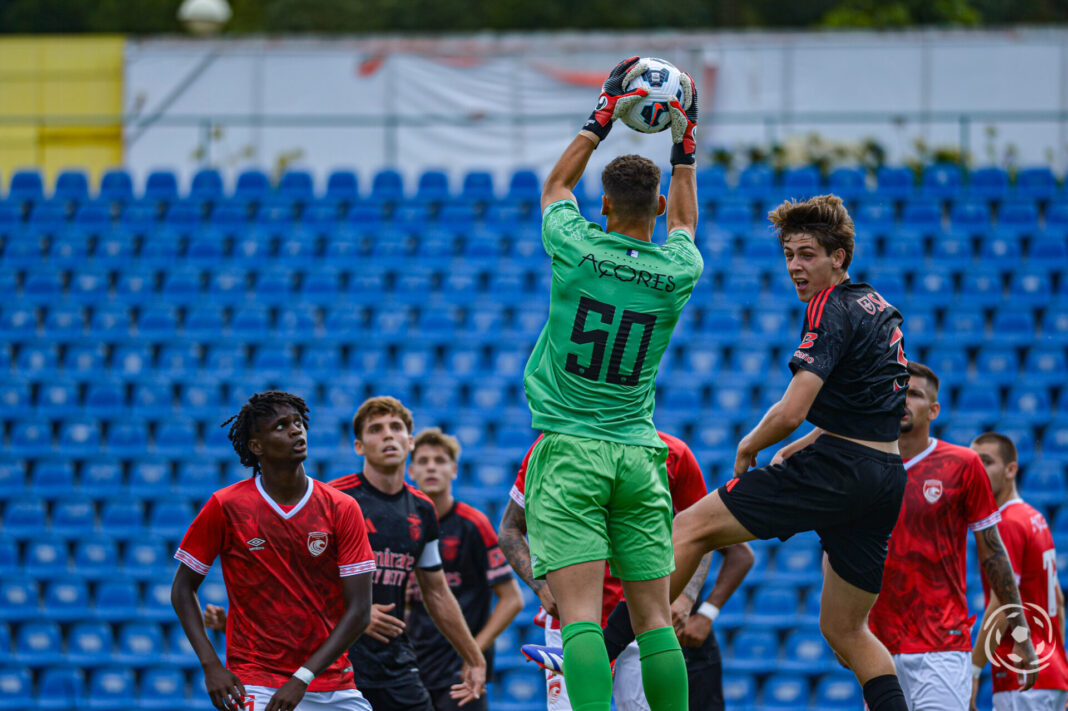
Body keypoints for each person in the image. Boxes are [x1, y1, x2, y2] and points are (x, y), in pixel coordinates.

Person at [599, 193, 982, 711]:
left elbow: (792, 408)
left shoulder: (829, 306)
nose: (795, 267)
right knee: (846, 631)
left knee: (687, 528)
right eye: (788, 255)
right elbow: (870, 409)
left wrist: (750, 445)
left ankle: (605, 651)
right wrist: (807, 444)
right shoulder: (879, 305)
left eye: (806, 254)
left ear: (838, 257)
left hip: (839, 470)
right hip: (884, 474)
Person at [521, 55, 703, 711]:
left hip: (571, 449)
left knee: (580, 620)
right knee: (655, 618)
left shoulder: (576, 247)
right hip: (639, 452)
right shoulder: (677, 271)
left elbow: (553, 189)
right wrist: (685, 147)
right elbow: (685, 227)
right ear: (654, 202)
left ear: (603, 204)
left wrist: (602, 115)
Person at [500, 433, 753, 711]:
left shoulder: (672, 453)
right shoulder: (549, 446)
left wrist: (687, 597)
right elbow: (510, 529)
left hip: (640, 619)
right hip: (570, 617)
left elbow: (703, 535)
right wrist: (540, 586)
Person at [172, 391, 376, 711]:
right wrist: (211, 665)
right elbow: (183, 589)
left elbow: (360, 610)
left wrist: (301, 678)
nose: (296, 430)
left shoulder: (342, 508)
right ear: (256, 446)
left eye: (298, 422)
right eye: (281, 426)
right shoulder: (226, 506)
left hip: (330, 681)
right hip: (255, 678)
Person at [857, 363, 1040, 710]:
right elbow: (840, 552)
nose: (903, 400)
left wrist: (1021, 633)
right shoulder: (865, 467)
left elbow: (993, 553)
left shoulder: (962, 465)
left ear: (933, 409)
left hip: (941, 645)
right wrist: (847, 632)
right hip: (877, 649)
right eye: (898, 390)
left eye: (914, 394)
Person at [329, 396, 487, 711]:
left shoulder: (422, 509)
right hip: (338, 664)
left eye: (396, 427)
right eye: (376, 429)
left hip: (397, 665)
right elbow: (300, 580)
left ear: (410, 441)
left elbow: (437, 592)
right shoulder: (334, 498)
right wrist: (354, 612)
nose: (388, 435)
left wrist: (474, 657)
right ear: (359, 446)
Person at [407, 427, 523, 711]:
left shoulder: (474, 524)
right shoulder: (403, 522)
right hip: (411, 669)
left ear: (454, 470)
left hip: (461, 672)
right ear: (411, 471)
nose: (431, 467)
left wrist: (474, 651)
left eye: (440, 460)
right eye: (423, 461)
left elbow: (512, 599)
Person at [970, 432, 1068, 711]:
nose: (978, 471)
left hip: (1022, 678)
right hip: (1051, 674)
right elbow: (1058, 601)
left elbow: (1002, 603)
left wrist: (974, 670)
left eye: (986, 462)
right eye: (974, 463)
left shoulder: (1007, 523)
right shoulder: (1035, 518)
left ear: (1011, 469)